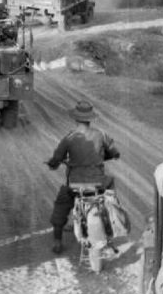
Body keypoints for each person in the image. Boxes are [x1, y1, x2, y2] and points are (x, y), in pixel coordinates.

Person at [46, 100, 121, 254]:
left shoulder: (69, 138)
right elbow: (115, 153)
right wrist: (104, 156)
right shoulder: (101, 134)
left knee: (61, 204)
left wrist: (52, 164)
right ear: (90, 119)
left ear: (76, 118)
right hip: (98, 184)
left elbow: (57, 158)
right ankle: (112, 215)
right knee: (110, 187)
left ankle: (57, 240)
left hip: (76, 185)